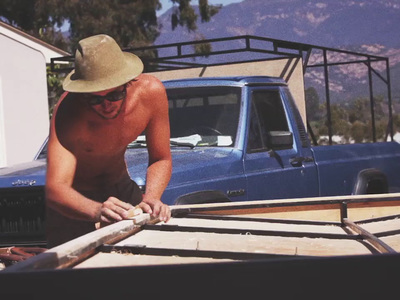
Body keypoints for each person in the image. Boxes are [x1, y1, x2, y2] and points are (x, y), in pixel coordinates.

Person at [45, 34, 172, 248]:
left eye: (114, 95)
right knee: (77, 277)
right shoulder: (69, 113)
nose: (106, 105)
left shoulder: (151, 94)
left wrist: (152, 197)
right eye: (95, 98)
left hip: (122, 190)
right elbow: (56, 188)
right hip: (77, 203)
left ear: (127, 83)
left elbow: (161, 158)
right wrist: (96, 211)